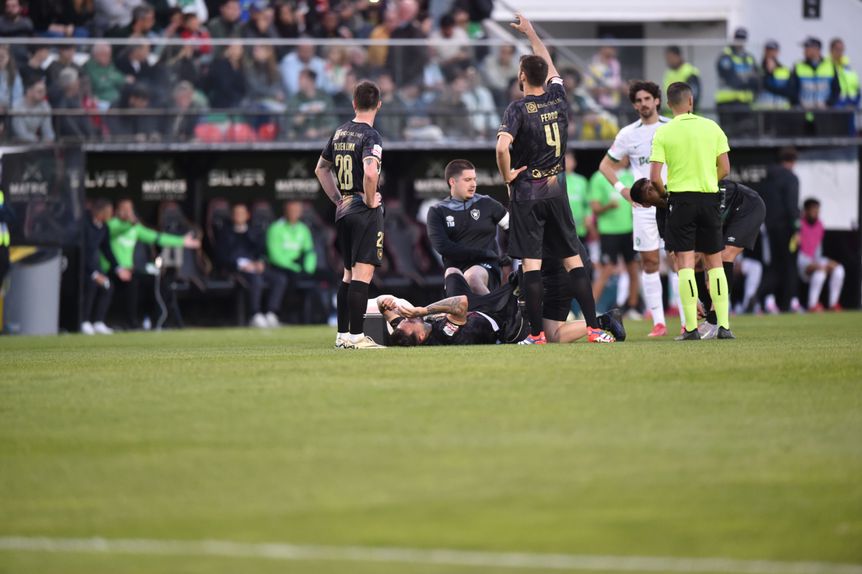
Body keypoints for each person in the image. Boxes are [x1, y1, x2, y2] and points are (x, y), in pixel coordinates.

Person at [496, 13, 609, 345]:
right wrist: (531, 33)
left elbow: (502, 147)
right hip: (557, 190)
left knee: (531, 266)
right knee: (573, 260)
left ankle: (535, 336)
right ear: (545, 76)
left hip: (527, 195)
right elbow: (548, 64)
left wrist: (507, 175)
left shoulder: (517, 109)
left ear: (521, 76)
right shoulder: (558, 97)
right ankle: (594, 328)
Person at [631, 178, 766, 339]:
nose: (654, 188)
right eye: (648, 191)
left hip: (746, 205)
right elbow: (677, 258)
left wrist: (709, 274)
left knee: (723, 256)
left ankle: (715, 321)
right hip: (723, 215)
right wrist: (692, 297)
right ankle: (709, 313)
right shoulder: (663, 217)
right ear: (645, 204)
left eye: (652, 184)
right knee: (694, 262)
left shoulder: (680, 192)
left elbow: (707, 239)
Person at [649, 81, 733, 340]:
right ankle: (724, 326)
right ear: (691, 101)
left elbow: (654, 177)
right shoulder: (712, 127)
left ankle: (691, 329)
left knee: (684, 264)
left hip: (681, 200)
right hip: (709, 198)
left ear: (668, 105)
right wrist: (706, 181)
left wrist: (665, 194)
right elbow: (725, 168)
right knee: (714, 263)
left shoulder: (663, 132)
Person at [315, 80, 385, 349]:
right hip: (362, 209)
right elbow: (370, 172)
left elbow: (321, 169)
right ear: (379, 104)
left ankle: (342, 335)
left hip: (344, 208)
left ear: (354, 103)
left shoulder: (339, 132)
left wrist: (337, 199)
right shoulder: (371, 135)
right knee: (362, 275)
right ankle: (357, 336)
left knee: (347, 274)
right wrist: (369, 200)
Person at [598, 80, 670, 337]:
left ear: (657, 100)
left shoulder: (671, 127)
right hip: (643, 206)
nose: (643, 104)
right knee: (649, 262)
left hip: (671, 203)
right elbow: (605, 165)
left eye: (647, 99)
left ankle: (688, 320)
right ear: (634, 105)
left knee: (679, 261)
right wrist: (623, 190)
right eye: (638, 100)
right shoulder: (628, 134)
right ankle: (658, 322)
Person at [104, 198, 200, 329]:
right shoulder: (111, 224)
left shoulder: (135, 228)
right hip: (112, 269)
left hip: (130, 270)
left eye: (130, 209)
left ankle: (157, 321)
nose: (127, 212)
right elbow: (116, 231)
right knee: (132, 284)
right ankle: (130, 323)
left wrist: (182, 241)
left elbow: (157, 237)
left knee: (158, 282)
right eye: (124, 209)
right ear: (117, 211)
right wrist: (130, 224)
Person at [426, 159, 509, 295]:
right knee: (452, 273)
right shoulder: (437, 211)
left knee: (472, 277)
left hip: (486, 265)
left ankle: (494, 308)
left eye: (474, 179)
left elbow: (513, 228)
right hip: (457, 267)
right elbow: (442, 246)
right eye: (467, 180)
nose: (473, 184)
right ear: (452, 182)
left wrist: (510, 254)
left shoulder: (487, 203)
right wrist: (481, 253)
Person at [215, 202, 287, 328]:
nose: (239, 216)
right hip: (235, 269)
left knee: (279, 278)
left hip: (255, 266)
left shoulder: (255, 232)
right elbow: (221, 257)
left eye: (241, 213)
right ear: (232, 216)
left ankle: (271, 313)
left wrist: (261, 262)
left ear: (247, 215)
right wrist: (240, 265)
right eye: (236, 213)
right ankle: (255, 314)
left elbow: (262, 252)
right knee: (256, 279)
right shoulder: (224, 233)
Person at [589, 166, 638, 316]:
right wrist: (608, 206)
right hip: (609, 231)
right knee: (606, 270)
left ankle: (632, 308)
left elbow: (637, 203)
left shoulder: (630, 175)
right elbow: (595, 208)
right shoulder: (598, 177)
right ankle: (590, 309)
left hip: (628, 231)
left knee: (633, 269)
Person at [82, 199, 132, 335]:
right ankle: (84, 321)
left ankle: (98, 322)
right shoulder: (84, 224)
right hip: (81, 267)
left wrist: (118, 268)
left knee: (108, 286)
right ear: (100, 211)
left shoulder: (104, 228)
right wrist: (94, 274)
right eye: (109, 211)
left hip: (94, 265)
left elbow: (107, 250)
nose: (111, 214)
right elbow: (82, 253)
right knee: (92, 285)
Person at [759, 146, 800, 312]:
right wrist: (796, 228)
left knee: (772, 265)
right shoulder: (791, 178)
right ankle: (789, 302)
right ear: (793, 161)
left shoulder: (767, 178)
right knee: (789, 265)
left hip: (768, 227)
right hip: (786, 228)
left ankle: (765, 299)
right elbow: (792, 205)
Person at [266, 200, 317, 321]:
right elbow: (275, 255)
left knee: (328, 277)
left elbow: (309, 251)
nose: (294, 213)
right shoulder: (275, 228)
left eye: (297, 210)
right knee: (285, 280)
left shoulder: (303, 229)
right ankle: (282, 314)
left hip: (300, 267)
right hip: (281, 267)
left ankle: (328, 314)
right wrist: (294, 267)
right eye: (292, 210)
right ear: (285, 211)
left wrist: (308, 269)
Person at [798, 198, 844, 312]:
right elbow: (795, 250)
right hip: (801, 261)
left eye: (818, 210)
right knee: (820, 272)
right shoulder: (799, 224)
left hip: (815, 259)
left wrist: (824, 263)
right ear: (806, 211)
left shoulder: (820, 225)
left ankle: (833, 304)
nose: (816, 213)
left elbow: (818, 251)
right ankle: (812, 305)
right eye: (813, 210)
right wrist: (817, 265)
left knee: (839, 269)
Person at [715, 27, 758, 135]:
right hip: (727, 102)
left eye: (742, 39)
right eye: (738, 38)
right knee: (727, 135)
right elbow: (732, 80)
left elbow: (757, 80)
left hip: (744, 103)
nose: (740, 41)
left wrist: (745, 80)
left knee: (744, 134)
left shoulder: (749, 58)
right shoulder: (725, 56)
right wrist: (748, 79)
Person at [788, 37, 839, 110]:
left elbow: (836, 89)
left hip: (825, 110)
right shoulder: (798, 66)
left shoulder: (830, 66)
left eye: (807, 48)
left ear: (816, 50)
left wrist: (828, 104)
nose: (804, 51)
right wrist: (798, 104)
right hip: (803, 111)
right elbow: (792, 90)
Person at [82, 42, 127, 109]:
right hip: (100, 101)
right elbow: (99, 84)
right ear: (95, 54)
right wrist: (112, 78)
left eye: (109, 55)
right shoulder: (89, 67)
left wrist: (108, 78)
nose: (108, 57)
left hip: (116, 100)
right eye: (105, 54)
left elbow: (121, 79)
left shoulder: (110, 65)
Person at [11, 78, 54, 143]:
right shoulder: (17, 106)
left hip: (36, 144)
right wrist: (39, 141)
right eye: (40, 91)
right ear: (29, 92)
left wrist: (49, 139)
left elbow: (48, 131)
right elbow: (21, 134)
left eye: (44, 91)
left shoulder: (45, 105)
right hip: (15, 144)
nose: (44, 94)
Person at [564, 150, 593, 246]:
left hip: (580, 229)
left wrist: (588, 216)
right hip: (560, 229)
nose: (568, 162)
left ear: (575, 162)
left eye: (570, 160)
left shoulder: (581, 181)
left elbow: (587, 204)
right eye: (565, 160)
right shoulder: (554, 180)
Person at [662, 46, 700, 113]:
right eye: (667, 58)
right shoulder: (668, 74)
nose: (669, 61)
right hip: (670, 115)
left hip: (686, 115)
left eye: (671, 58)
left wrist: (687, 114)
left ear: (678, 56)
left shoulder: (689, 71)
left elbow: (694, 96)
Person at [826, 38, 859, 110]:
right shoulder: (826, 66)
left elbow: (856, 87)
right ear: (831, 50)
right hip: (834, 106)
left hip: (850, 105)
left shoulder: (847, 67)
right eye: (837, 49)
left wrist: (855, 102)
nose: (840, 52)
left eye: (841, 49)